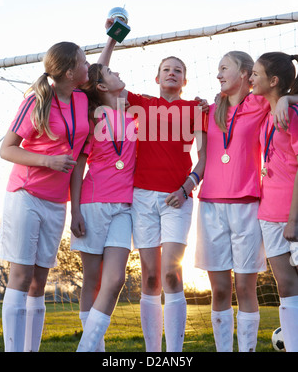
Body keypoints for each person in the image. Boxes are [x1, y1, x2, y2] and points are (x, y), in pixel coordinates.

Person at [89, 30, 208, 352]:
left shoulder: (197, 110)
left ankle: (175, 353)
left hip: (177, 198)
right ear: (157, 77)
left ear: (184, 81)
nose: (172, 72)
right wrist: (111, 40)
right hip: (141, 197)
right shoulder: (139, 104)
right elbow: (98, 78)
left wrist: (187, 187)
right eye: (167, 68)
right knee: (151, 279)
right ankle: (153, 353)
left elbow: (205, 157)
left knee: (171, 275)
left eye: (178, 70)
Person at [195, 50, 297, 352]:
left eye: (224, 68)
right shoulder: (207, 110)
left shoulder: (263, 105)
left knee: (245, 287)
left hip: (250, 206)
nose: (218, 74)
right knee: (220, 289)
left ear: (244, 74)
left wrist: (286, 99)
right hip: (211, 205)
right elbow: (199, 156)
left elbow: (285, 95)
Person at [0, 41, 90, 352]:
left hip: (56, 203)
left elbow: (78, 161)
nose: (88, 66)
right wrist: (46, 161)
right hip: (26, 195)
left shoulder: (81, 99)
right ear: (69, 71)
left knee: (40, 283)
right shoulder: (37, 101)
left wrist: (76, 210)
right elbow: (6, 149)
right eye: (83, 62)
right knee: (21, 277)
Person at [70, 56, 137, 352]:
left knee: (116, 279)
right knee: (93, 282)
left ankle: (84, 348)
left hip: (124, 208)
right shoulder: (90, 120)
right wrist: (75, 211)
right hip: (92, 205)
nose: (117, 71)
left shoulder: (136, 117)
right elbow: (77, 167)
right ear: (100, 85)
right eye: (111, 71)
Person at [250, 51, 298, 352]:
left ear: (274, 80)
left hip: (293, 215)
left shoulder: (290, 114)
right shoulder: (267, 111)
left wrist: (293, 219)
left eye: (255, 73)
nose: (250, 78)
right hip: (268, 214)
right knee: (284, 285)